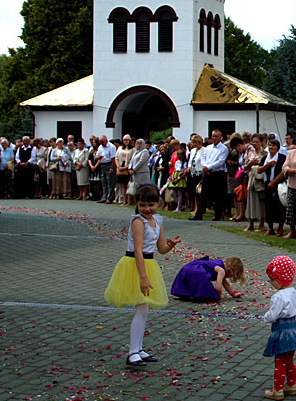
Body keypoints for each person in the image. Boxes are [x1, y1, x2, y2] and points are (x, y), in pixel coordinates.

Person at [103, 183, 181, 367]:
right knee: (142, 309)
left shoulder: (158, 221)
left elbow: (160, 249)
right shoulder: (138, 222)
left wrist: (170, 245)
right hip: (135, 265)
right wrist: (143, 277)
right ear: (137, 204)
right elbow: (138, 251)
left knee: (144, 309)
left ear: (158, 203)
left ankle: (137, 349)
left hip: (149, 263)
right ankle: (132, 352)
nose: (147, 209)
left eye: (151, 205)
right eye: (142, 205)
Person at [261, 255, 296, 401]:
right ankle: (291, 386)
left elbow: (274, 315)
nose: (271, 283)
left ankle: (277, 390)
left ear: (281, 278)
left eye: (272, 279)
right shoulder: (295, 292)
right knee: (289, 360)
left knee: (279, 360)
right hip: (294, 329)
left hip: (282, 331)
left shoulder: (279, 296)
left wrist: (265, 317)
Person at [170, 256, 245, 302]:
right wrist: (218, 297)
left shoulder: (220, 264)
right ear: (232, 269)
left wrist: (233, 294)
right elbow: (218, 288)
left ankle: (186, 294)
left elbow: (225, 283)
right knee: (210, 294)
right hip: (197, 271)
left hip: (186, 269)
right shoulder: (221, 270)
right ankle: (199, 296)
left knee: (194, 280)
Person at [192, 129, 227, 221]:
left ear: (220, 137)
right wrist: (205, 167)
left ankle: (217, 215)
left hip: (217, 173)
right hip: (207, 172)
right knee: (203, 194)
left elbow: (220, 161)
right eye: (213, 136)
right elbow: (203, 158)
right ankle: (199, 214)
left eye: (216, 136)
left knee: (217, 196)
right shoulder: (208, 147)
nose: (214, 138)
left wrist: (209, 167)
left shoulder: (223, 149)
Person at [260, 138, 287, 236]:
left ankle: (280, 228)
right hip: (267, 184)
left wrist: (274, 181)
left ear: (278, 148)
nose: (271, 147)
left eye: (273, 145)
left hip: (278, 184)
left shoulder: (282, 157)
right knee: (268, 206)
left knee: (279, 206)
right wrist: (268, 165)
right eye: (270, 145)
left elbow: (283, 171)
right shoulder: (265, 158)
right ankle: (270, 228)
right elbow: (259, 169)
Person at [244, 134, 266, 232]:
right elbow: (245, 167)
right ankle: (250, 223)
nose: (255, 144)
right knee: (251, 201)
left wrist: (259, 164)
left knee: (261, 201)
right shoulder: (250, 153)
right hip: (251, 178)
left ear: (261, 142)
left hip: (260, 179)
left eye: (257, 142)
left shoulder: (265, 154)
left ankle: (261, 223)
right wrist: (251, 163)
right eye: (253, 142)